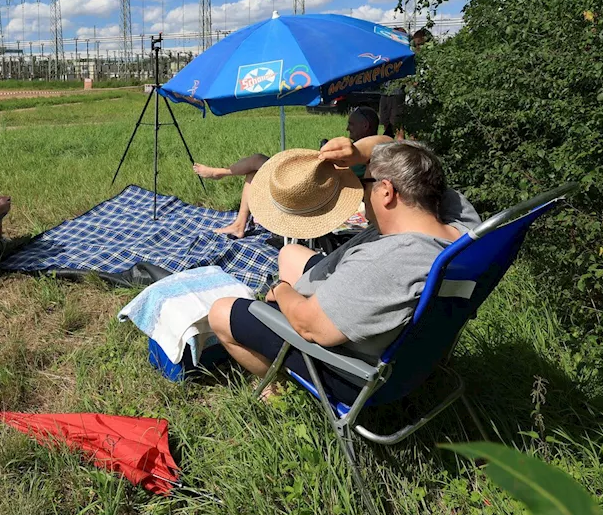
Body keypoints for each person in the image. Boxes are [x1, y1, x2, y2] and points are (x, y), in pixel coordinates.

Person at [208, 140, 479, 403]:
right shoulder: (463, 223)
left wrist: (280, 290)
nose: (361, 192)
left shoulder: (386, 263)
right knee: (290, 253)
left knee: (221, 312)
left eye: (365, 183)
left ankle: (280, 387)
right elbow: (400, 149)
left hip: (351, 370)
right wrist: (357, 152)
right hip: (408, 343)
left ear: (386, 191)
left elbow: (309, 325)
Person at [192, 106, 380, 238]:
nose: (347, 128)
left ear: (365, 126)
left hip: (324, 192)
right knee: (254, 172)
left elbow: (383, 142)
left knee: (257, 160)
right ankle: (240, 224)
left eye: (352, 124)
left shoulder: (370, 155)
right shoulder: (352, 149)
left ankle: (222, 173)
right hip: (319, 183)